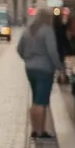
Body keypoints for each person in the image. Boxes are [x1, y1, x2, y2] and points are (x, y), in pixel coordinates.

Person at [17, 9, 63, 139]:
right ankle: (40, 131)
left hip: (30, 68)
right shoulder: (47, 30)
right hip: (44, 69)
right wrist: (59, 67)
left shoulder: (28, 30)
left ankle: (35, 129)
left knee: (36, 98)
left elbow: (19, 49)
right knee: (41, 100)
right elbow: (52, 52)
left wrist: (28, 59)